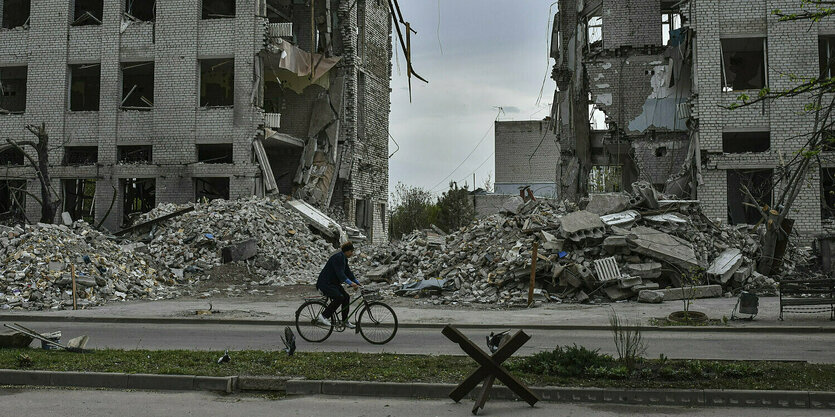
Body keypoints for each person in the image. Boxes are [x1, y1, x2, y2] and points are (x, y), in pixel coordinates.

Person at [316, 241, 360, 328]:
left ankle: (345, 321)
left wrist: (357, 282)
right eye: (351, 251)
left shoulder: (344, 259)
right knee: (339, 297)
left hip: (333, 284)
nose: (352, 253)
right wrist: (351, 283)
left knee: (346, 297)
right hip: (325, 283)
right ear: (347, 251)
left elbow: (348, 273)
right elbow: (341, 274)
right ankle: (324, 316)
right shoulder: (338, 258)